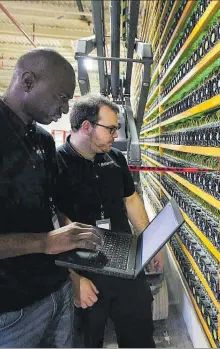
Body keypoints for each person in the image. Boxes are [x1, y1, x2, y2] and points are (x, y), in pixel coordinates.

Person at [0, 48, 102, 348]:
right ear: (28, 82)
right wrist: (45, 242)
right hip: (3, 315)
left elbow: (50, 210)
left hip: (55, 293)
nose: (66, 107)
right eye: (61, 96)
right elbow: (46, 236)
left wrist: (73, 247)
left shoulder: (43, 140)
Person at [56, 94, 163, 348]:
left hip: (125, 263)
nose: (116, 134)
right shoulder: (55, 164)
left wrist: (151, 241)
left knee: (139, 333)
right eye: (111, 129)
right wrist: (73, 278)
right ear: (86, 127)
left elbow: (131, 200)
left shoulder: (115, 158)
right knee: (87, 339)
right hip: (86, 271)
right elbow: (52, 225)